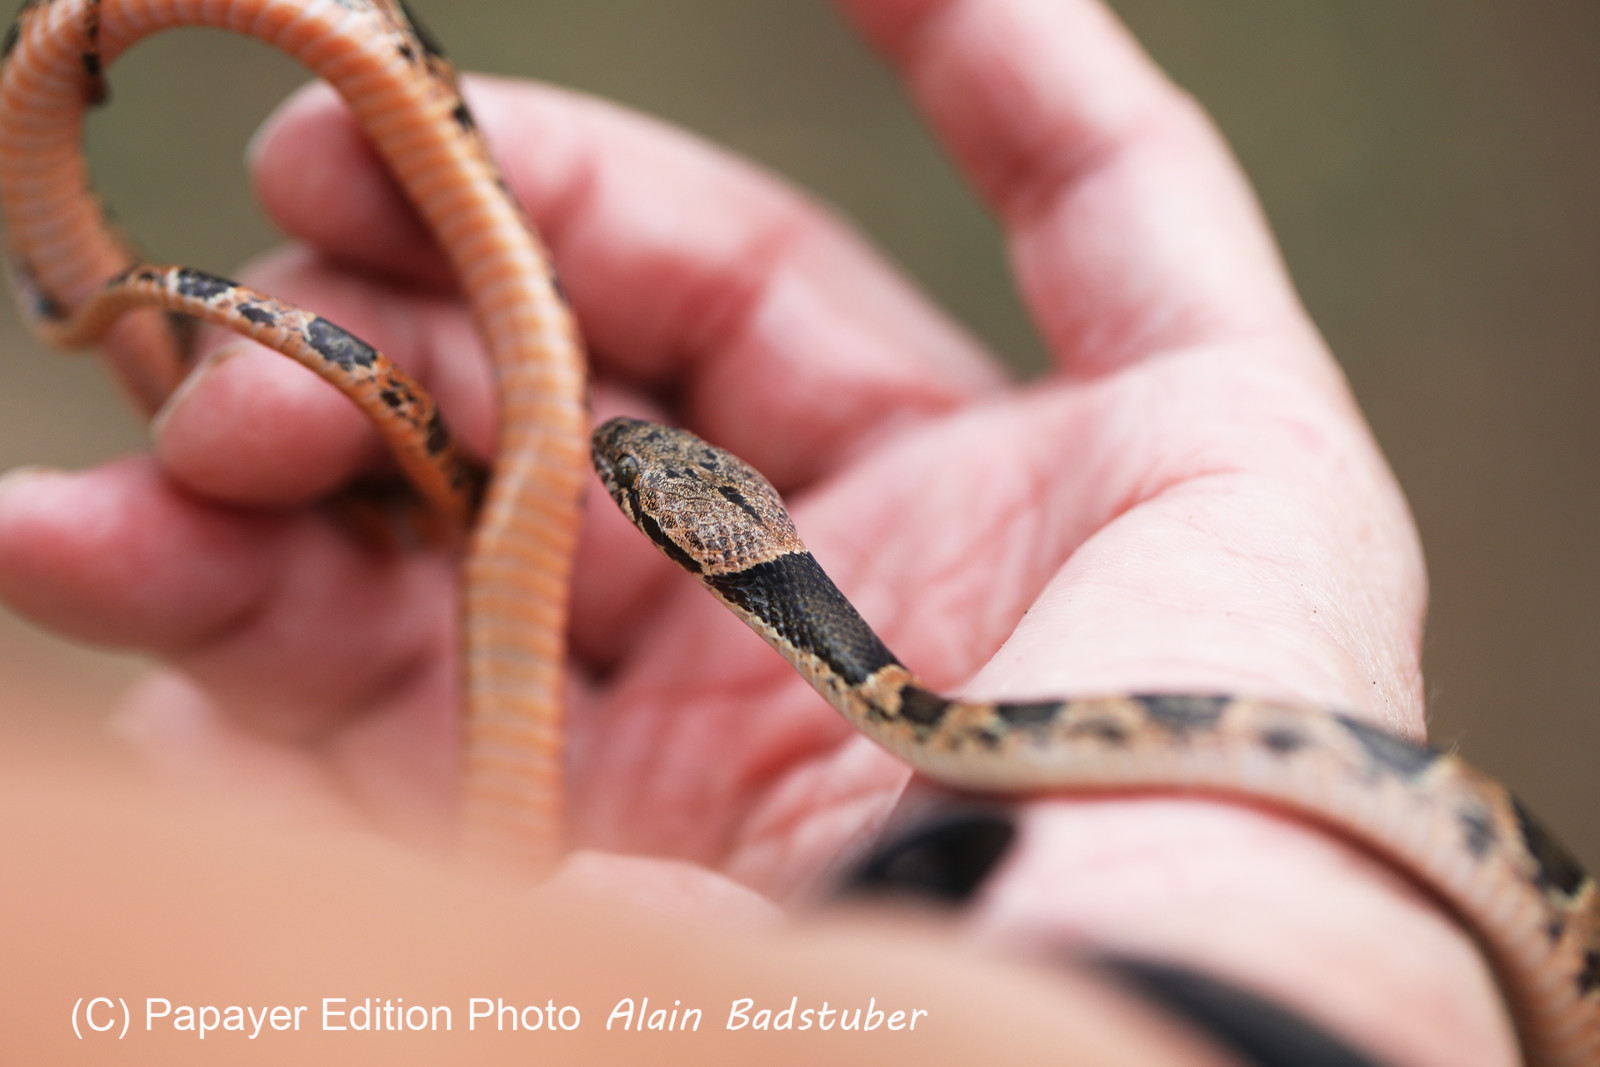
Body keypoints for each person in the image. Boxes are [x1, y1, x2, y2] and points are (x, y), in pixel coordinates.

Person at [0, 1, 1518, 1064]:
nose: (636, 473)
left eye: (656, 498)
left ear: (703, 543)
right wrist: (1293, 986)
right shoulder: (940, 731)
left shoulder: (928, 722)